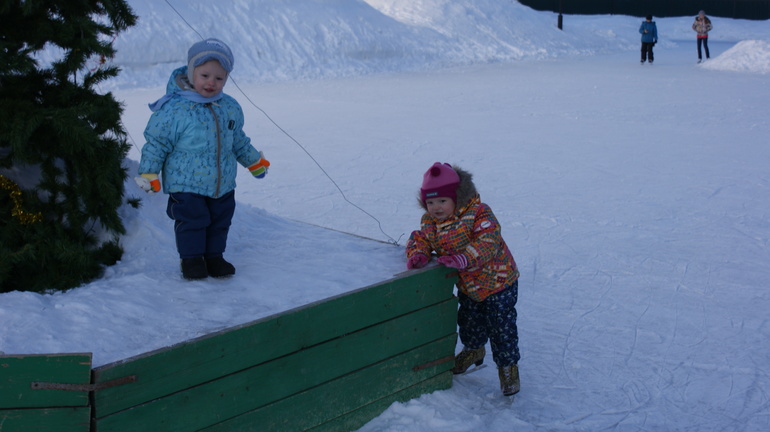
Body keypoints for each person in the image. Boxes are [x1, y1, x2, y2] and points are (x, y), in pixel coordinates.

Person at [136, 38, 270, 280]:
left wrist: (253, 161)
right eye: (205, 75)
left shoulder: (228, 106)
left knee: (220, 220)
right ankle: (192, 260)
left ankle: (214, 257)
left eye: (219, 78)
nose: (211, 83)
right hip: (186, 183)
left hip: (222, 182)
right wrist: (149, 172)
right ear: (191, 72)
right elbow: (157, 143)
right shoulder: (174, 109)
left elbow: (237, 139)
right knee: (193, 221)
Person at [405, 162, 521, 396]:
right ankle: (474, 350)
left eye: (442, 201)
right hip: (469, 287)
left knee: (501, 327)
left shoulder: (479, 213)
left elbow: (489, 240)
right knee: (468, 321)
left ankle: (508, 368)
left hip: (499, 283)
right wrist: (418, 253)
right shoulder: (430, 223)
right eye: (430, 202)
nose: (436, 208)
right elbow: (421, 238)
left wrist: (463, 259)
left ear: (457, 197)